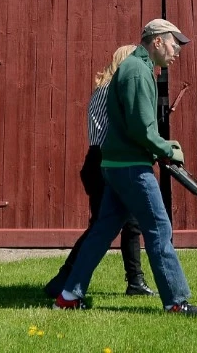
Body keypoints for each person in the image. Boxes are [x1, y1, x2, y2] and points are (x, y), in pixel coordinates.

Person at [53, 19, 197, 317]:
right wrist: (167, 148)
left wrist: (160, 147)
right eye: (174, 43)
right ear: (157, 42)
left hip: (116, 165)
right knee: (159, 229)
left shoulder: (137, 69)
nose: (177, 51)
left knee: (102, 231)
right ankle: (176, 302)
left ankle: (68, 295)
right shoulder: (138, 71)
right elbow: (141, 127)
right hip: (131, 167)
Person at [44, 44, 155, 299]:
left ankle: (134, 281)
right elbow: (126, 126)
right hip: (109, 158)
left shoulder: (100, 90)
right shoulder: (114, 92)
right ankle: (63, 280)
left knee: (128, 223)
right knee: (104, 226)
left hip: (96, 159)